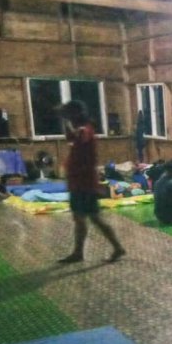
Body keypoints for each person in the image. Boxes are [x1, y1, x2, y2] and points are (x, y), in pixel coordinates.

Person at [57, 100, 125, 264]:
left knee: (94, 218)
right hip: (78, 183)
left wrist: (67, 119)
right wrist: (65, 121)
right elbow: (70, 137)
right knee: (80, 218)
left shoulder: (85, 130)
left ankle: (117, 248)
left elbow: (80, 136)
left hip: (85, 184)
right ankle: (78, 252)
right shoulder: (80, 130)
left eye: (69, 115)